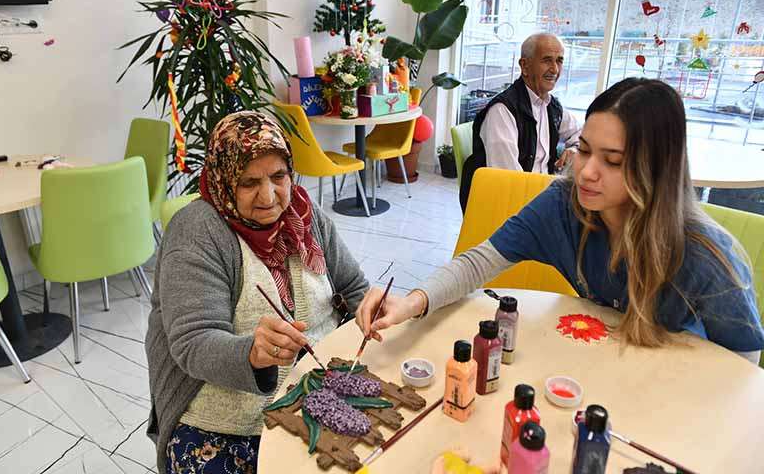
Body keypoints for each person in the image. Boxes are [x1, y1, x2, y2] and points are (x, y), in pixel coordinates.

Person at [358, 78, 764, 364]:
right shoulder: (563, 205)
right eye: (584, 150)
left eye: (612, 161)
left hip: (673, 390)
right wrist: (412, 302)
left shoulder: (706, 255)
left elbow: (742, 367)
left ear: (655, 169)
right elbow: (477, 263)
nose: (586, 172)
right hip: (604, 367)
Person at [145, 111, 369, 474]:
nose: (268, 195)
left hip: (317, 391)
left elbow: (354, 287)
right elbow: (192, 342)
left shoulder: (303, 212)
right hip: (226, 422)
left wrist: (372, 311)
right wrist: (252, 353)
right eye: (249, 182)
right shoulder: (198, 232)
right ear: (224, 180)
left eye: (278, 177)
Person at [460, 33, 582, 212]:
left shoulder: (551, 106)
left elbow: (581, 133)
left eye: (559, 61)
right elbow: (510, 181)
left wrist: (575, 149)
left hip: (538, 196)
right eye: (547, 60)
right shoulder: (502, 111)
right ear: (525, 66)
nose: (555, 69)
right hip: (507, 206)